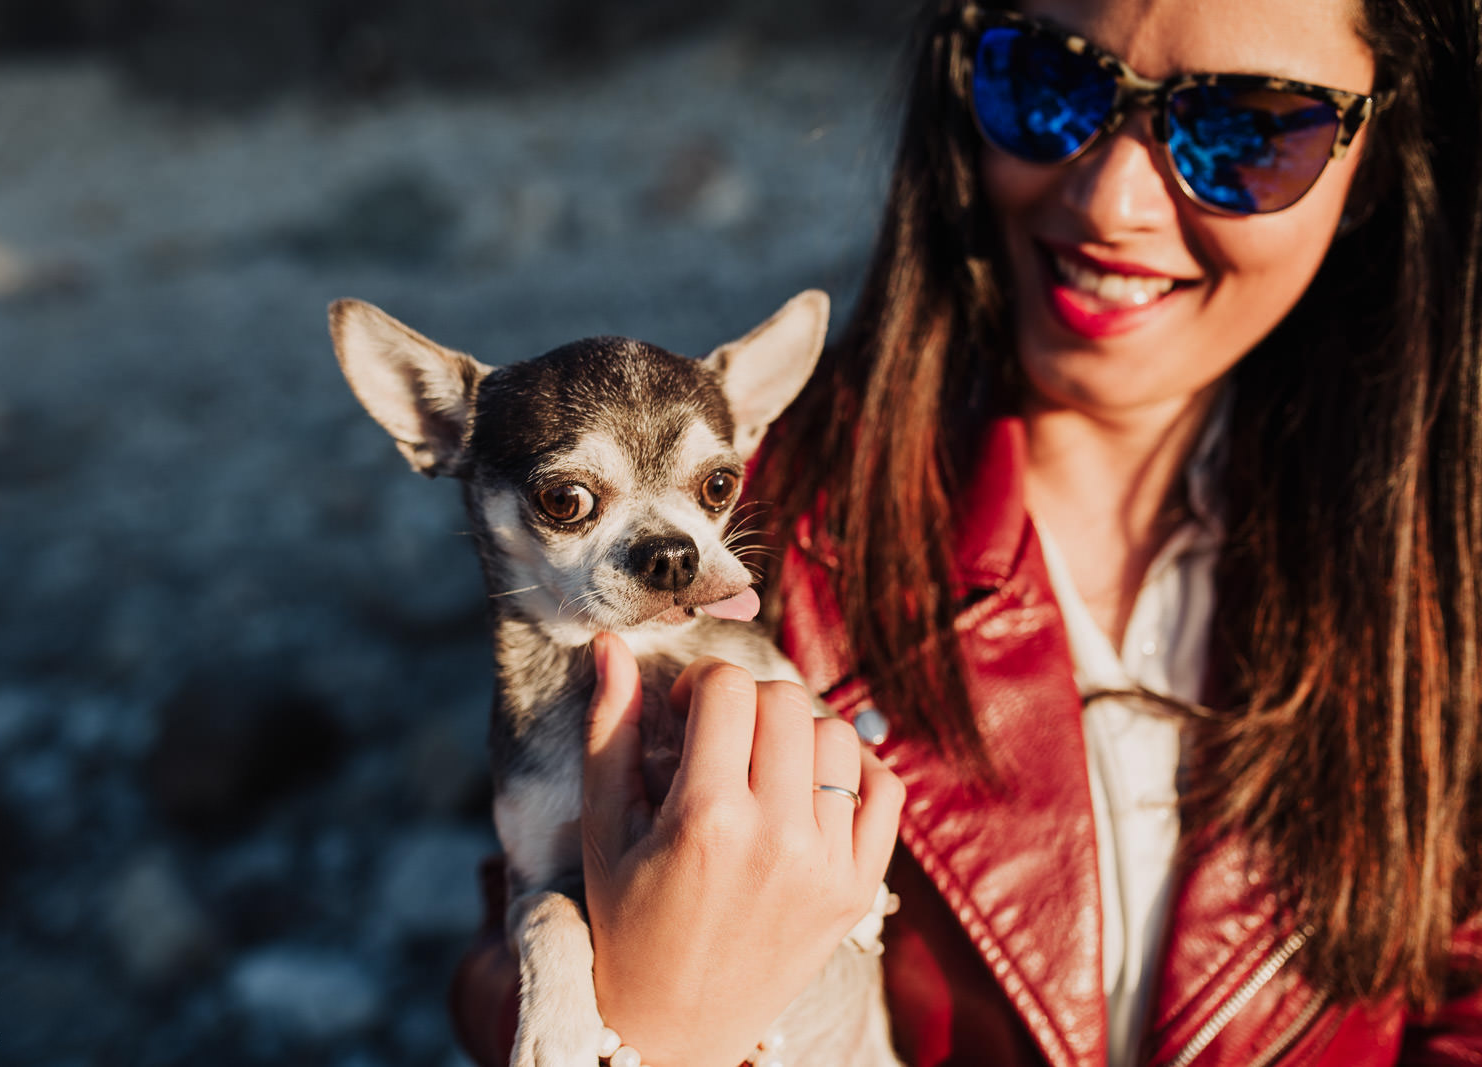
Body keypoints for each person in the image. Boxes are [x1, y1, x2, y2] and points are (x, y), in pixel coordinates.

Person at [451, 0, 1482, 1063]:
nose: (1111, 197)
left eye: (1249, 127)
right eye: (1050, 83)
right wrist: (664, 1029)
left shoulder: (1447, 551)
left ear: (1386, 145)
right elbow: (512, 959)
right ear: (961, 78)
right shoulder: (741, 532)